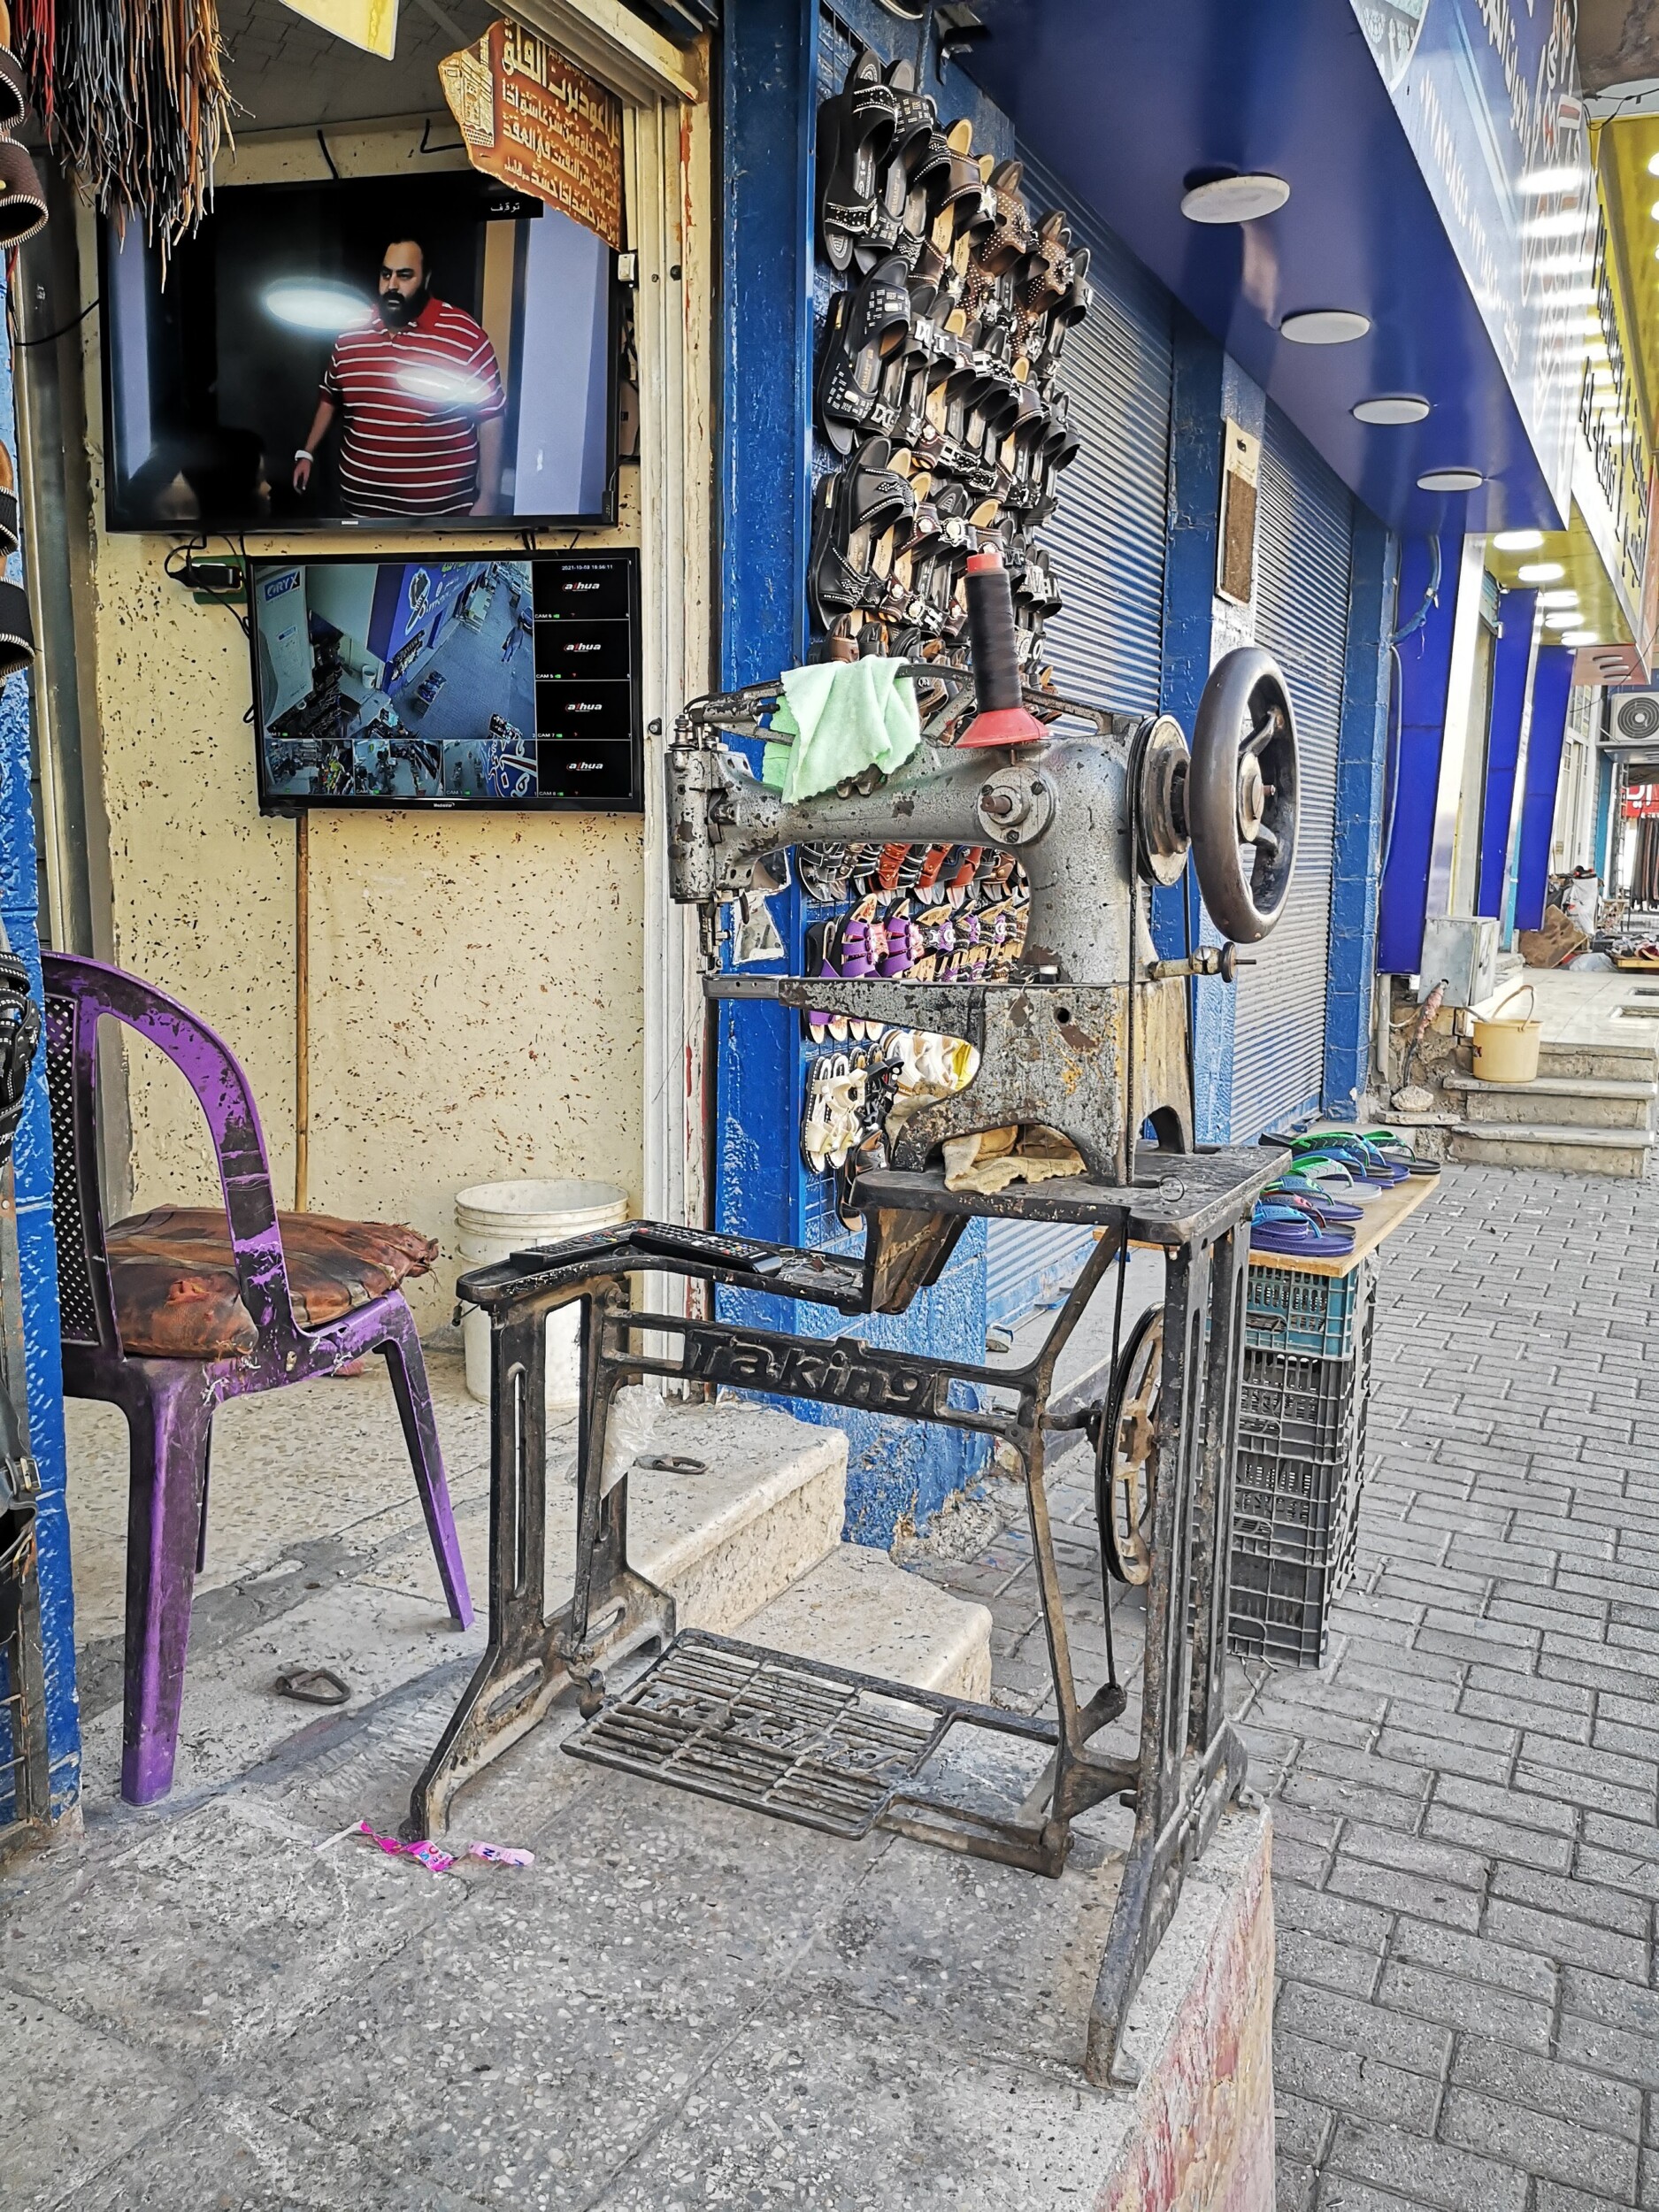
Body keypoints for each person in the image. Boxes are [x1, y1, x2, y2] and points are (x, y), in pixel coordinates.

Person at [294, 238, 506, 518]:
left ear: (426, 278)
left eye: (404, 275)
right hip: (359, 518)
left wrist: (489, 496)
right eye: (386, 274)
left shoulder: (465, 335)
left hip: (440, 520)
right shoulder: (351, 332)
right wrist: (307, 451)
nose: (392, 285)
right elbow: (329, 395)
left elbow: (491, 415)